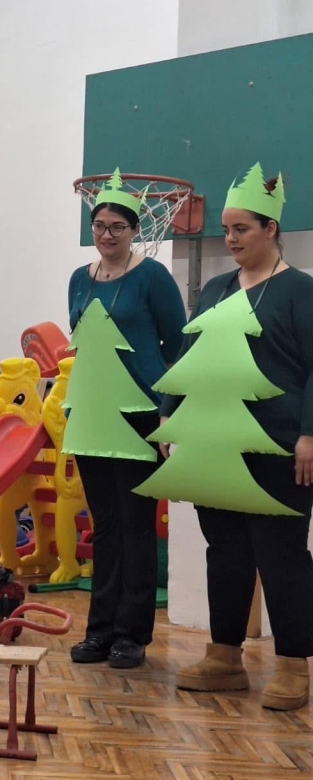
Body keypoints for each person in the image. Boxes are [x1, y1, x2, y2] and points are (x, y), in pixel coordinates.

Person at [164, 165, 313, 710]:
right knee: (225, 552)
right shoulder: (216, 290)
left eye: (241, 229)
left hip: (279, 449)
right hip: (216, 448)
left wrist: (309, 434)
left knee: (282, 555)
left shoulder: (301, 290)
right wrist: (170, 415)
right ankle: (224, 656)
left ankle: (293, 665)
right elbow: (189, 358)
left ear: (271, 229)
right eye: (226, 229)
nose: (230, 239)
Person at [63, 170, 186, 669]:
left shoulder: (152, 276)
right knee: (105, 526)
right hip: (91, 416)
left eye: (117, 226)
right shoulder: (79, 279)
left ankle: (131, 635)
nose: (107, 234)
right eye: (100, 225)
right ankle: (99, 631)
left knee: (136, 527)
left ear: (135, 229)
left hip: (140, 416)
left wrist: (168, 412)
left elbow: (179, 346)